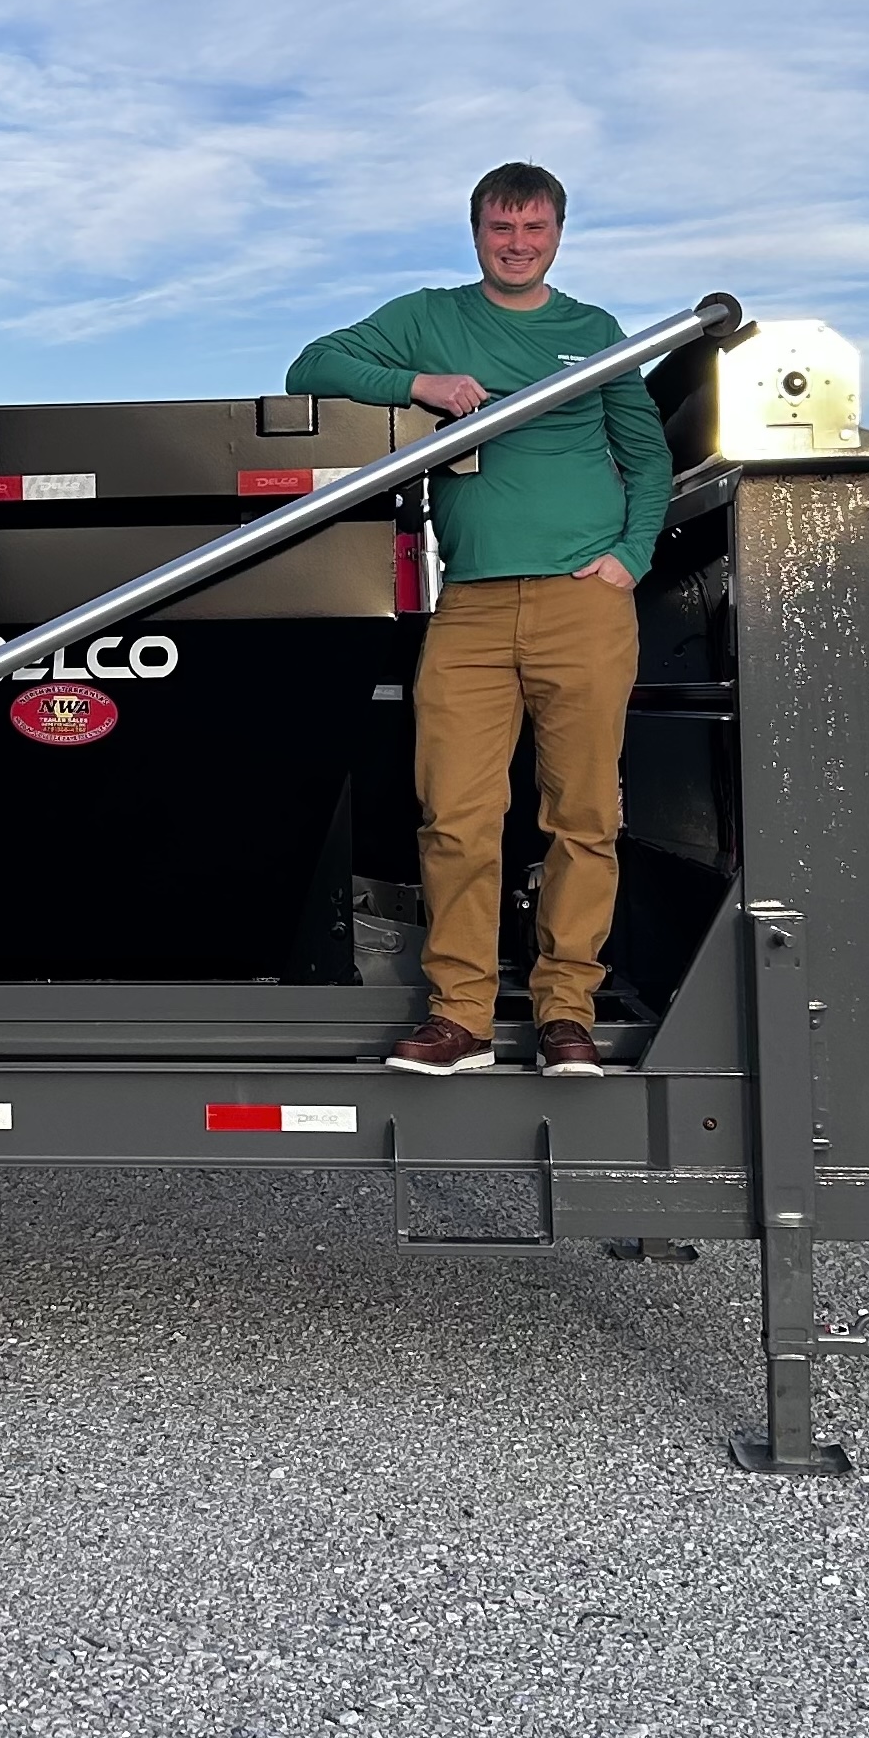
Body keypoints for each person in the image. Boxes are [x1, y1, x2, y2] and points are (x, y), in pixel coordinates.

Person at [287, 162, 672, 1076]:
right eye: (502, 229)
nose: (518, 244)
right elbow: (312, 364)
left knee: (582, 817)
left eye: (535, 229)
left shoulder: (595, 333)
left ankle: (564, 1012)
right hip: (471, 605)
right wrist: (421, 384)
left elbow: (647, 460)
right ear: (477, 234)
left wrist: (632, 557)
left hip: (586, 602)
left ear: (558, 233)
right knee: (456, 813)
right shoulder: (433, 314)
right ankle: (459, 1014)